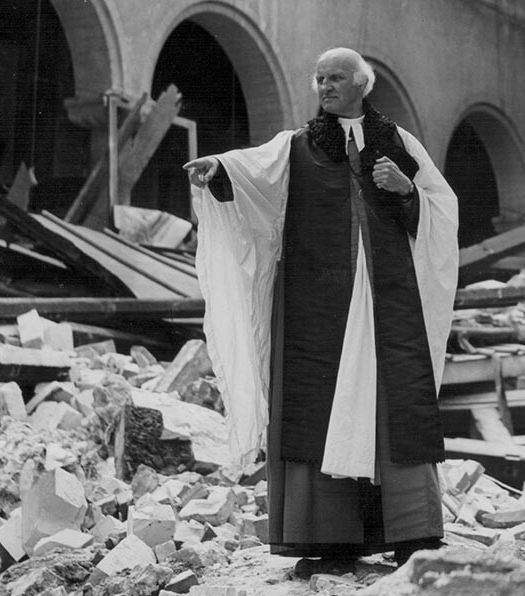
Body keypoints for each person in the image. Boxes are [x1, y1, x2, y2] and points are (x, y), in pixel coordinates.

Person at [184, 47, 459, 576]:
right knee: (319, 404)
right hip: (317, 301)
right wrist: (219, 167)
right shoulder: (298, 146)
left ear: (362, 84)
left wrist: (407, 192)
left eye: (336, 77)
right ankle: (330, 539)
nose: (325, 86)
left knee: (390, 404)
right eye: (318, 78)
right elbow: (253, 172)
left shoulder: (400, 143)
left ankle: (409, 534)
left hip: (385, 299)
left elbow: (441, 209)